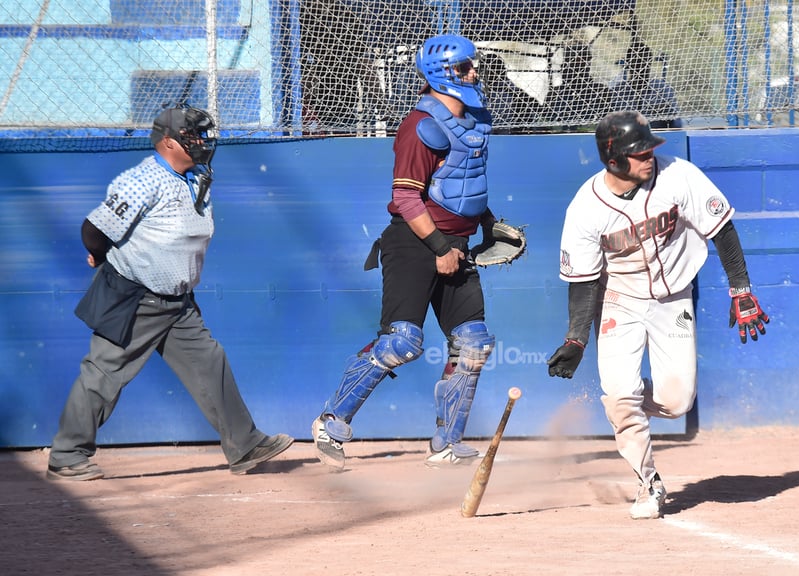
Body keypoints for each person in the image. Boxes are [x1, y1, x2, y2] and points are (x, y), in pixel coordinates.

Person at [47, 105, 294, 481]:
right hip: (135, 297)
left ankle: (245, 445)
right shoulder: (142, 179)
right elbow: (94, 229)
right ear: (167, 142)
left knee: (211, 364)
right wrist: (98, 254)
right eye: (192, 136)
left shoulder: (195, 178)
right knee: (103, 375)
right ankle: (66, 456)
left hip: (177, 303)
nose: (201, 143)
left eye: (201, 135)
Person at [547, 111, 769, 519]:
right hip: (619, 300)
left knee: (676, 401)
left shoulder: (677, 175)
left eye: (649, 148)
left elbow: (722, 229)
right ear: (613, 160)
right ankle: (648, 482)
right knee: (620, 394)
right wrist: (576, 338)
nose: (649, 156)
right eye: (638, 152)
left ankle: (624, 399)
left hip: (674, 298)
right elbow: (583, 281)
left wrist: (742, 289)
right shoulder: (585, 208)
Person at [311, 34, 499, 471]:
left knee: (473, 343)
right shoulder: (421, 125)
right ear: (441, 73)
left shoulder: (471, 121)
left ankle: (446, 444)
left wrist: (488, 222)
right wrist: (438, 246)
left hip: (454, 243)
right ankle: (331, 422)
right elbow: (407, 197)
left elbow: (458, 185)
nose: (474, 73)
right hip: (414, 242)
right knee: (403, 342)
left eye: (472, 66)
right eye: (465, 67)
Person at [610, 40, 683, 129]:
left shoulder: (662, 89)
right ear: (629, 64)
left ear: (649, 63)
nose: (641, 66)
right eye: (636, 62)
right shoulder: (618, 92)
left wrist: (664, 110)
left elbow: (676, 122)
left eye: (644, 62)